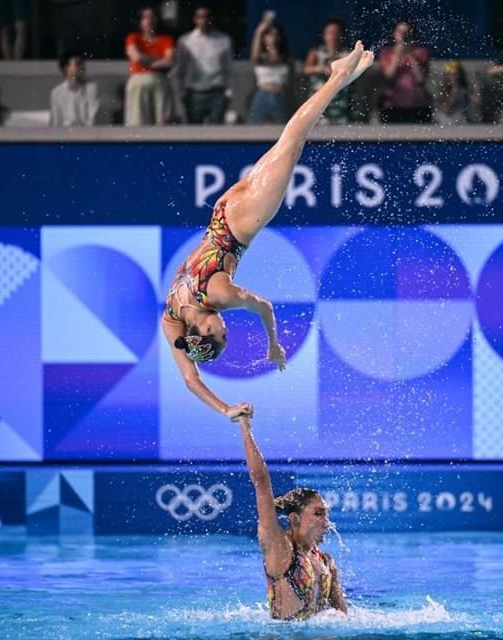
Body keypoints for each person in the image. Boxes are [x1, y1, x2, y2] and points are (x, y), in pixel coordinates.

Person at [161, 41, 374, 419]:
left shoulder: (220, 296)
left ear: (206, 330)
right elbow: (190, 379)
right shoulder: (171, 315)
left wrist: (273, 344)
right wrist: (224, 408)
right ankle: (341, 79)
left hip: (244, 223)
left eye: (222, 333)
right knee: (287, 143)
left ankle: (338, 75)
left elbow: (264, 306)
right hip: (223, 211)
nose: (226, 327)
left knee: (293, 142)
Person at [236, 414, 347, 620]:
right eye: (318, 514)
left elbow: (344, 619)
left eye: (327, 515)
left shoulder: (326, 562)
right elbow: (260, 481)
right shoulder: (280, 549)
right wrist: (244, 427)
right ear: (295, 519)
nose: (326, 522)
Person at [174, 4, 233, 124]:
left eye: (206, 17)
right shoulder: (185, 40)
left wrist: (229, 92)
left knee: (217, 133)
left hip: (217, 92)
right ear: (195, 19)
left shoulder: (223, 40)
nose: (204, 20)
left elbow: (229, 68)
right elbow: (181, 68)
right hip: (194, 93)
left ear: (211, 19)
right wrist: (182, 92)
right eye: (200, 17)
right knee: (193, 133)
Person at [124, 6, 175, 126]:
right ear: (140, 21)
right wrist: (160, 60)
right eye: (145, 17)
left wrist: (145, 61)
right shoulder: (133, 38)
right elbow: (136, 57)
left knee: (163, 122)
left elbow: (170, 62)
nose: (149, 20)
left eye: (152, 17)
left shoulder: (166, 39)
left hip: (161, 81)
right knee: (138, 122)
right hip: (138, 80)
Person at [377, 19, 433, 124]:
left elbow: (421, 79)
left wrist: (411, 55)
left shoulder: (421, 53)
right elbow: (388, 77)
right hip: (392, 105)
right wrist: (398, 55)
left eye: (407, 33)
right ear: (394, 34)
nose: (403, 36)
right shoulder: (386, 53)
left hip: (418, 105)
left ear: (412, 35)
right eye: (400, 32)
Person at [303, 18, 351, 125]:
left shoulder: (347, 54)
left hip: (340, 102)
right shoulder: (316, 52)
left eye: (336, 33)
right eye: (330, 33)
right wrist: (320, 68)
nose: (333, 37)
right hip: (319, 99)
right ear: (324, 35)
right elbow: (306, 69)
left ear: (342, 36)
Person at [248, 12, 291, 124]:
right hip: (262, 94)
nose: (274, 37)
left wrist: (272, 47)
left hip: (280, 95)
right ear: (264, 38)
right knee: (254, 129)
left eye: (276, 34)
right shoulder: (260, 57)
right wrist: (259, 31)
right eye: (270, 35)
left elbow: (277, 60)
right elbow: (254, 57)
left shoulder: (285, 58)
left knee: (281, 129)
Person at [50, 51, 100, 127]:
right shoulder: (57, 92)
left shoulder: (91, 88)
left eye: (82, 63)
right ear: (66, 68)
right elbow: (56, 122)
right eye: (78, 64)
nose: (82, 67)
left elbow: (93, 120)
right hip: (64, 136)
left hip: (86, 135)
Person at [435, 59, 470, 124]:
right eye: (451, 74)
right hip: (447, 123)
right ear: (446, 76)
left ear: (460, 75)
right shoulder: (442, 90)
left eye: (456, 74)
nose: (454, 77)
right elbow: (446, 111)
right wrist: (454, 90)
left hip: (461, 123)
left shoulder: (465, 89)